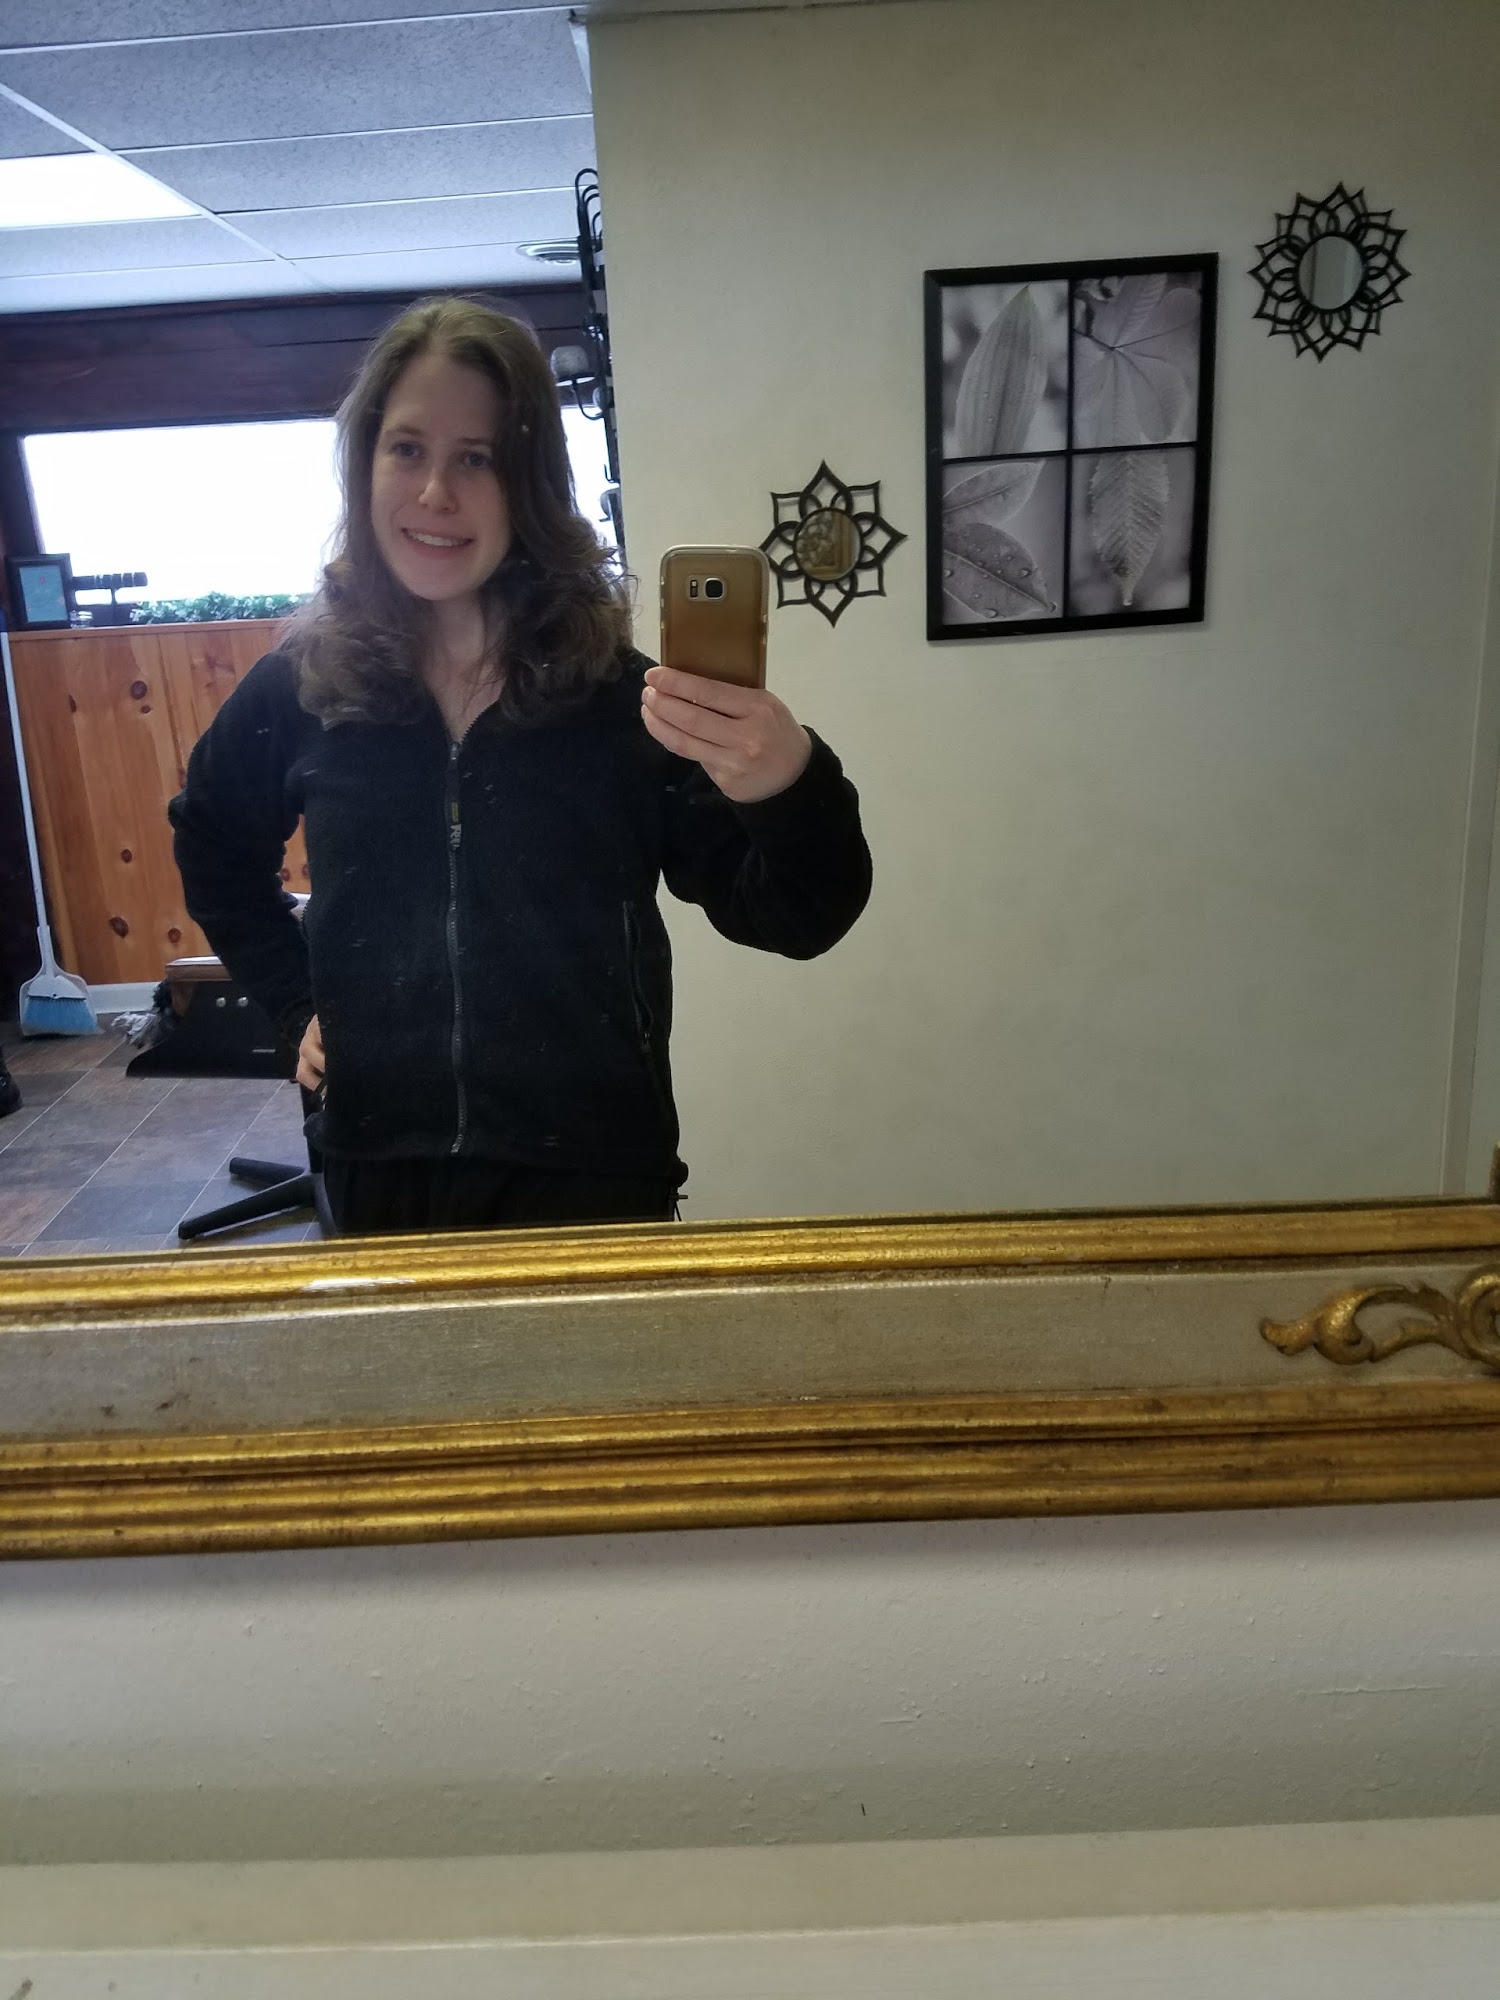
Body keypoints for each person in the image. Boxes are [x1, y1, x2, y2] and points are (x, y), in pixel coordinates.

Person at [170, 297, 871, 1234]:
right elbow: (212, 842)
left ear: (529, 483)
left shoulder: (621, 702)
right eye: (407, 448)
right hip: (376, 1162)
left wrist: (790, 785)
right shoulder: (303, 688)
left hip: (593, 1176)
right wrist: (299, 1002)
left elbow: (798, 917)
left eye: (478, 458)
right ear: (365, 461)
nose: (434, 492)